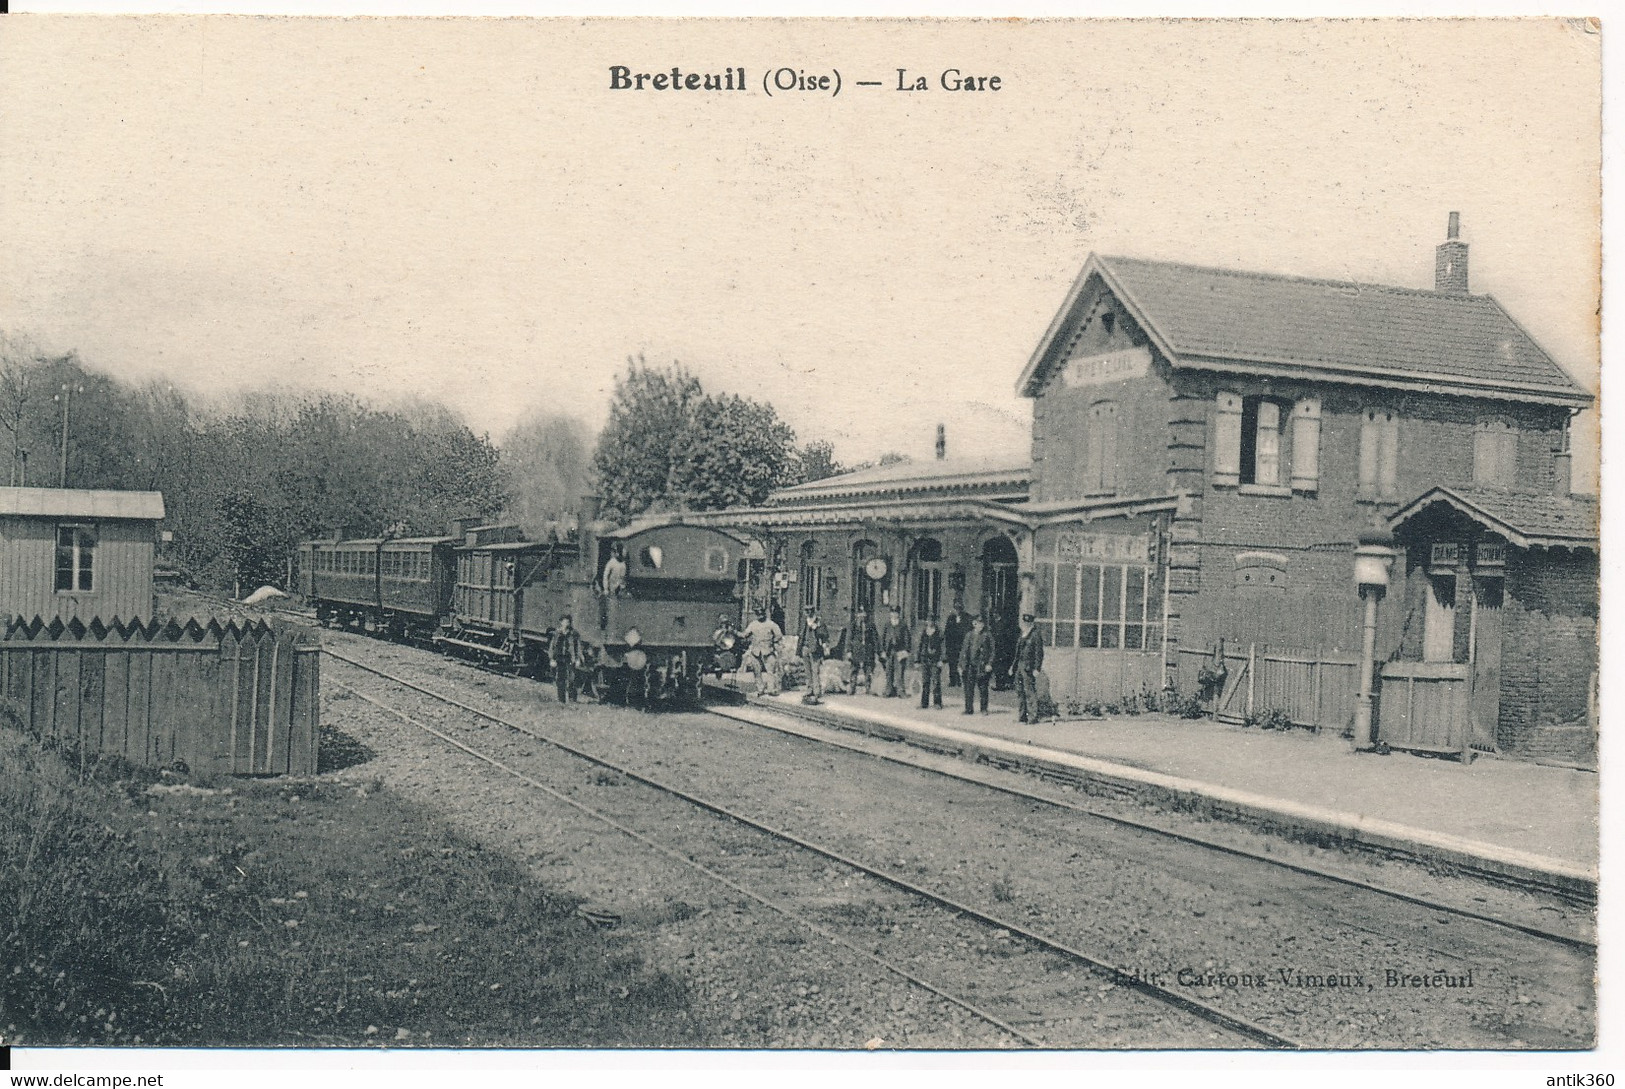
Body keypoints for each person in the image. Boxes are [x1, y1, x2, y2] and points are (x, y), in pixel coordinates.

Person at [741, 608, 783, 697]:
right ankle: (760, 689)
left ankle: (771, 689)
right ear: (756, 615)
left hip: (768, 650)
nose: (760, 616)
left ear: (765, 614)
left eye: (762, 614)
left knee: (770, 671)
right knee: (757, 671)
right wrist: (734, 632)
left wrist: (772, 641)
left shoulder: (771, 624)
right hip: (756, 651)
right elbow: (745, 634)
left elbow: (779, 635)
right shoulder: (753, 624)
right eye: (758, 614)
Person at [959, 614, 996, 715]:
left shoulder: (987, 635)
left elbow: (993, 651)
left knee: (983, 688)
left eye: (982, 623)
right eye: (978, 623)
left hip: (982, 666)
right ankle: (969, 709)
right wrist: (961, 665)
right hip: (970, 665)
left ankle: (984, 709)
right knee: (968, 688)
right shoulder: (969, 635)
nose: (980, 625)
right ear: (974, 623)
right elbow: (964, 651)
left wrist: (990, 664)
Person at [1014, 613, 1046, 724]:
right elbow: (1018, 653)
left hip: (1028, 667)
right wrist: (1013, 667)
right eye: (1024, 622)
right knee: (1020, 691)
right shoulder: (1022, 634)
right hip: (1020, 666)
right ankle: (1022, 716)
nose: (1025, 624)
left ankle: (1032, 717)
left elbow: (1039, 653)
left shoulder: (1035, 635)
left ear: (1031, 623)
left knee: (1029, 692)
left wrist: (1037, 668)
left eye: (1027, 622)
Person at [549, 614, 583, 704]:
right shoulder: (557, 633)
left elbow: (578, 647)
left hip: (569, 658)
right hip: (559, 658)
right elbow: (552, 646)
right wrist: (552, 659)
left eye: (568, 622)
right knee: (560, 679)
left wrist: (578, 659)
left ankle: (572, 699)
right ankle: (561, 700)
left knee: (572, 678)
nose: (566, 623)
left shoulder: (574, 633)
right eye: (564, 621)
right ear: (561, 622)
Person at [878, 608, 912, 699]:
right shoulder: (887, 624)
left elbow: (907, 638)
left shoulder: (903, 624)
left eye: (896, 613)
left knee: (900, 671)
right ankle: (889, 690)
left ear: (898, 614)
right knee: (889, 671)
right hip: (889, 651)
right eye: (892, 613)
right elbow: (883, 638)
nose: (894, 615)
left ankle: (900, 691)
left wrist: (906, 650)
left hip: (899, 651)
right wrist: (882, 651)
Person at [845, 608, 879, 694]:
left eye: (864, 614)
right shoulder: (853, 625)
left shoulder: (871, 625)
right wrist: (849, 651)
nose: (862, 616)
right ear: (857, 615)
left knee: (868, 670)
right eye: (860, 614)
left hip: (868, 650)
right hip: (856, 650)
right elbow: (848, 638)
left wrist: (877, 651)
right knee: (854, 670)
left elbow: (875, 639)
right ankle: (852, 688)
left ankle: (868, 688)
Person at [915, 615, 944, 709]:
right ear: (926, 622)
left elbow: (943, 647)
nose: (930, 622)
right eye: (928, 621)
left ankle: (937, 703)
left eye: (932, 621)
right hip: (925, 660)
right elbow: (919, 647)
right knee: (925, 682)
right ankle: (924, 703)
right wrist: (917, 660)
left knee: (936, 682)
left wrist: (942, 660)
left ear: (935, 622)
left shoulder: (939, 633)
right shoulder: (923, 633)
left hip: (935, 660)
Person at [800, 611, 829, 704]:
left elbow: (824, 635)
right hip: (805, 648)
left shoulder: (819, 622)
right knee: (807, 671)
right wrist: (799, 650)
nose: (808, 614)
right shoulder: (804, 621)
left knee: (815, 671)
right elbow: (801, 636)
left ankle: (816, 692)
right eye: (807, 612)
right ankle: (809, 691)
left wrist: (817, 628)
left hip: (815, 650)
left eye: (810, 612)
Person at [943, 599, 970, 688]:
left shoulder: (966, 617)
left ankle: (960, 680)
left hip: (961, 644)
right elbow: (947, 632)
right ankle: (952, 680)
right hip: (952, 644)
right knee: (952, 663)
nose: (958, 610)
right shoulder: (951, 618)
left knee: (960, 662)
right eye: (956, 608)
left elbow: (967, 631)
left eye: (959, 608)